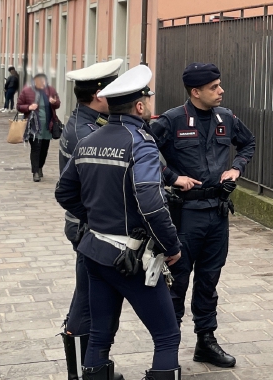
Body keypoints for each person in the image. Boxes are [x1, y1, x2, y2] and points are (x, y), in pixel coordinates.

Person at [55, 64, 182, 380]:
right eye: (148, 99)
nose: (150, 104)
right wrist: (171, 246)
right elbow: (151, 204)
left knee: (99, 335)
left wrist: (94, 217)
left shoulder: (90, 139)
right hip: (130, 257)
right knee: (167, 336)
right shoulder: (140, 142)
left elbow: (64, 192)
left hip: (94, 251)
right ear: (139, 106)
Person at [147, 62, 255, 368]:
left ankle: (206, 341)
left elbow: (248, 142)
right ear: (196, 92)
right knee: (177, 283)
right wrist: (171, 177)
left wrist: (237, 167)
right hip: (185, 214)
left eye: (219, 85)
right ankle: (168, 350)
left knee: (209, 280)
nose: (220, 91)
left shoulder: (226, 117)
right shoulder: (171, 119)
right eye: (213, 87)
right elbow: (143, 150)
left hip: (217, 213)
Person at [57, 59, 124, 380]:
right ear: (100, 95)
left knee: (93, 298)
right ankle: (88, 374)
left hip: (83, 224)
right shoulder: (87, 132)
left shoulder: (85, 122)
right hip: (89, 228)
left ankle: (94, 370)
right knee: (88, 302)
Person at [17, 73, 61, 182]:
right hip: (33, 126)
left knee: (44, 149)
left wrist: (54, 102)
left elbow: (58, 104)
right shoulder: (27, 91)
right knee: (36, 148)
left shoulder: (50, 91)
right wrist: (29, 107)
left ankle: (40, 167)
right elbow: (19, 106)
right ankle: (35, 172)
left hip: (47, 126)